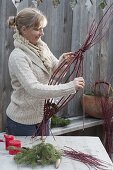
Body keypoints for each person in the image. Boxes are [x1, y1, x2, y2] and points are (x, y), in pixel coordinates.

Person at [6, 7, 85, 136]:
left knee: (44, 156)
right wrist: (70, 86)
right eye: (38, 29)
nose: (42, 33)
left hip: (43, 118)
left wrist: (63, 62)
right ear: (24, 30)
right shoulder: (18, 56)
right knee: (24, 156)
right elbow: (34, 89)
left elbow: (57, 72)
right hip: (22, 124)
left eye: (43, 28)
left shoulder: (42, 47)